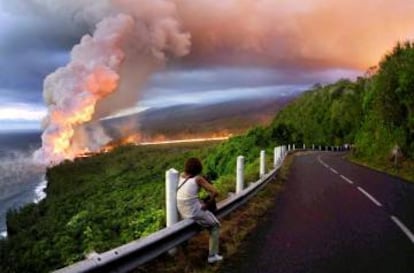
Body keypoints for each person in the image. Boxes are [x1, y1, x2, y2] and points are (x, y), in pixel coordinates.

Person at [176, 157, 223, 263]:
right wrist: (207, 205)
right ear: (198, 168)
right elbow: (215, 192)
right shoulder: (198, 179)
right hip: (194, 212)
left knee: (199, 203)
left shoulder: (181, 176)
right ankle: (212, 256)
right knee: (215, 226)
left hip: (182, 211)